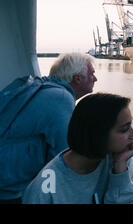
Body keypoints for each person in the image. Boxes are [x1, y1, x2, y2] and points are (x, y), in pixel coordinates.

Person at [0, 53, 97, 203]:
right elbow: (64, 155)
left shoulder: (39, 87)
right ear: (77, 78)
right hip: (10, 190)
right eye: (92, 74)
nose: (95, 79)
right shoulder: (61, 98)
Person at [22, 93, 133, 204]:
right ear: (97, 135)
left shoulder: (120, 162)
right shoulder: (44, 189)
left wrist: (120, 173)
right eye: (124, 129)